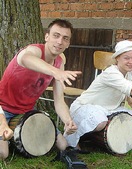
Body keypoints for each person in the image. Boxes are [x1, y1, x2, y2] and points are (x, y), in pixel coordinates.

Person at [0, 19, 86, 167]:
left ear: (68, 43)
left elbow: (59, 101)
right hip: (2, 108)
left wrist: (67, 120)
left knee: (62, 145)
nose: (59, 41)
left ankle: (14, 136)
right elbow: (26, 58)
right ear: (47, 37)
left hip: (26, 111)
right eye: (56, 35)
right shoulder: (34, 51)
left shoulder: (60, 62)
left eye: (65, 38)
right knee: (3, 154)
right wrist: (56, 72)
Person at [65, 40, 132, 149]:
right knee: (100, 122)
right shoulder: (111, 73)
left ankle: (117, 144)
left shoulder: (128, 71)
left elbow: (125, 87)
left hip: (111, 109)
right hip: (87, 106)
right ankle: (73, 139)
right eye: (126, 58)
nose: (131, 61)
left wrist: (129, 99)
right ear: (117, 58)